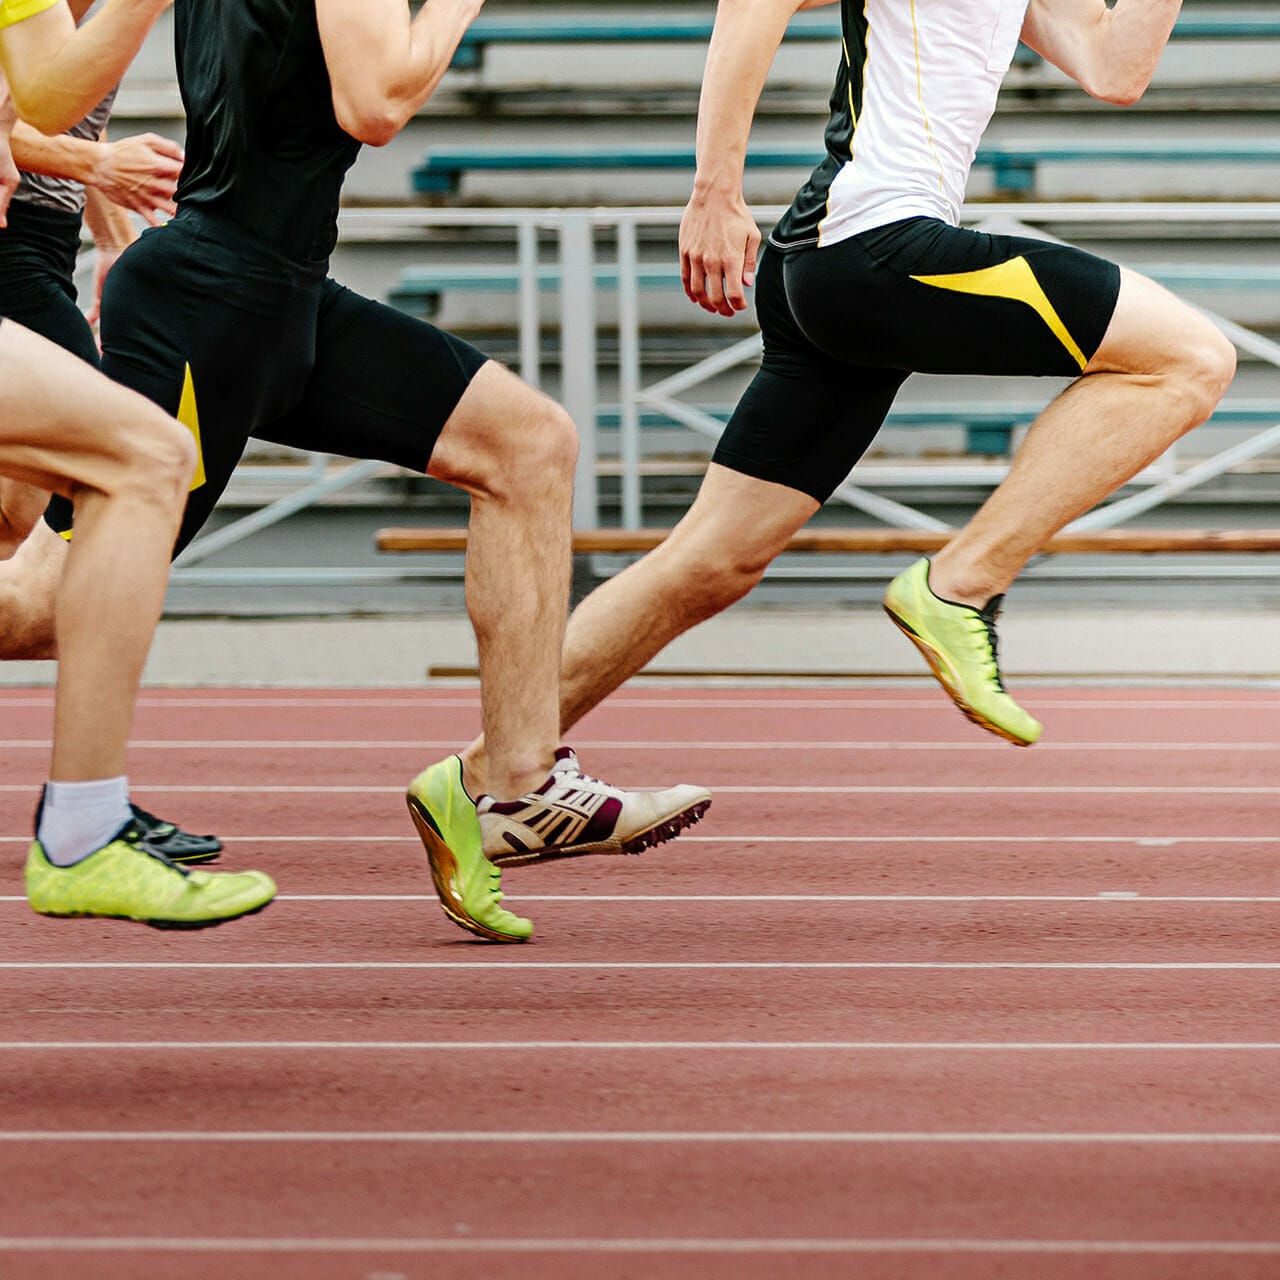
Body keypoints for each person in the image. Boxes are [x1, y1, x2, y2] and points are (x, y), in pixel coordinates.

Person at [2, 0, 711, 944]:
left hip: (283, 296)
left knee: (528, 445)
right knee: (41, 611)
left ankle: (518, 788)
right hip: (204, 309)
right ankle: (88, 826)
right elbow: (376, 100)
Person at [443, 0, 1238, 800]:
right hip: (874, 246)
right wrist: (715, 188)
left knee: (711, 564)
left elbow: (1113, 66)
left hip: (844, 262)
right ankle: (960, 584)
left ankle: (490, 775)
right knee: (1190, 360)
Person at [0, 0, 275, 927]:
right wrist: (90, 163)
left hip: (37, 247)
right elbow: (39, 104)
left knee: (18, 528)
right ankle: (83, 826)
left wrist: (119, 243)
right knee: (142, 460)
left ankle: (86, 821)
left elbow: (41, 111)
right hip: (13, 259)